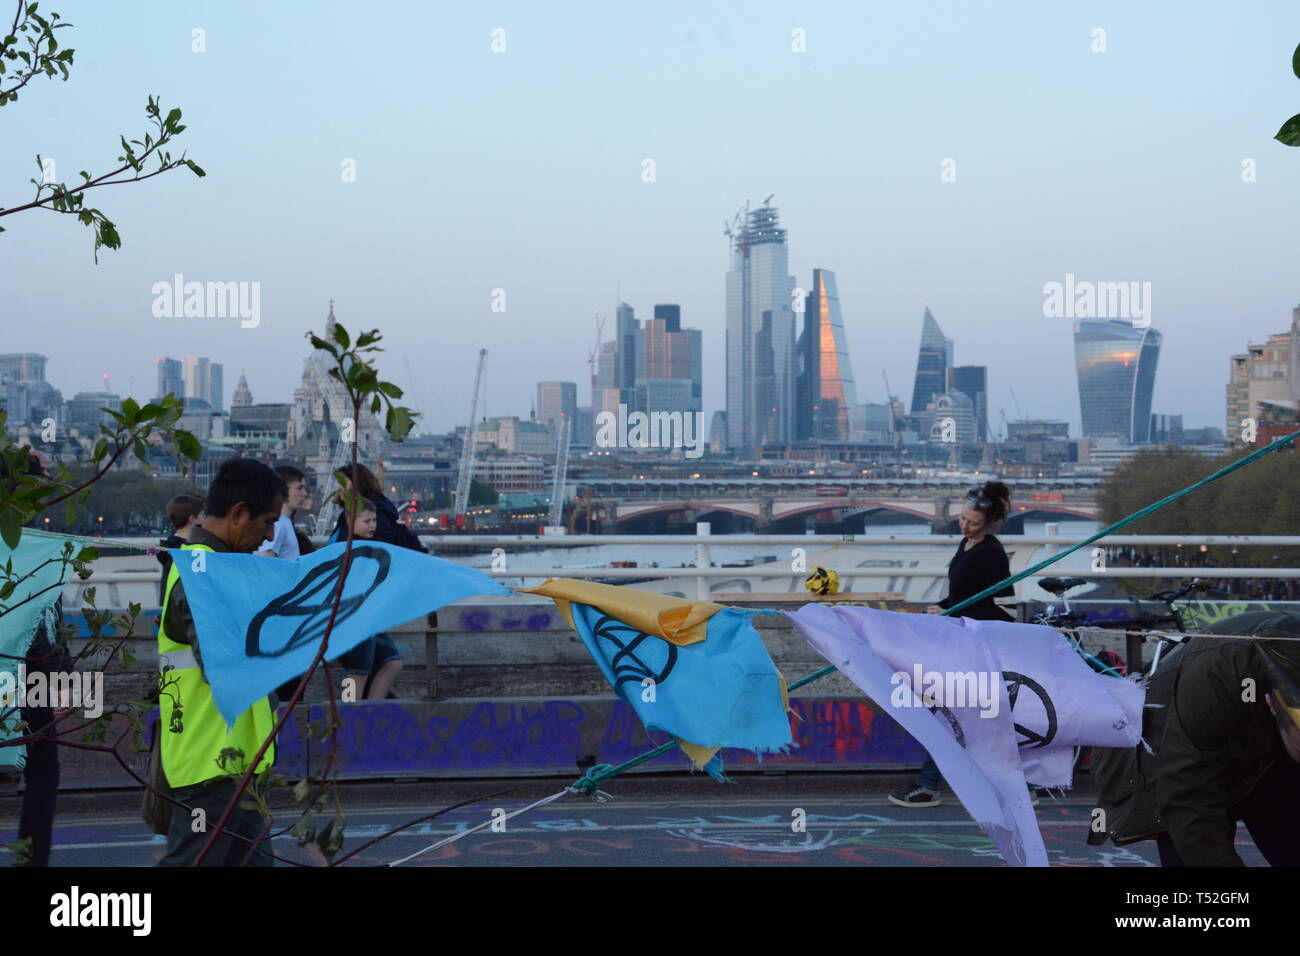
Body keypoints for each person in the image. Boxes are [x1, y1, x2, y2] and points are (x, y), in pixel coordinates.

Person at [1089, 610, 1300, 866]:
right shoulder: (1217, 679)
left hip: (1265, 757)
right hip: (1171, 755)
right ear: (1272, 706)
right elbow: (1188, 800)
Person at [156, 457, 284, 867]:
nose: (268, 538)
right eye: (266, 522)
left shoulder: (217, 569)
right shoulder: (202, 573)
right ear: (238, 513)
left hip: (235, 765)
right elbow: (223, 670)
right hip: (210, 769)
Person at [890, 481, 1015, 809]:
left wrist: (950, 611)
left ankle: (930, 785)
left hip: (977, 643)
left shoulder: (992, 554)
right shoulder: (967, 544)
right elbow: (962, 595)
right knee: (959, 714)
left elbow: (995, 606)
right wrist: (941, 607)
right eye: (962, 519)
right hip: (959, 637)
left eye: (973, 523)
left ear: (990, 524)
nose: (965, 526)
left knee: (946, 712)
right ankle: (1011, 784)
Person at [336, 498, 403, 700]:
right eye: (367, 521)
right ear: (350, 521)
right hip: (353, 619)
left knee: (392, 663)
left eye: (374, 520)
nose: (373, 525)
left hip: (369, 618)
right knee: (358, 674)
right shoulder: (346, 550)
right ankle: (349, 718)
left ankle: (372, 711)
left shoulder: (368, 547)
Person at [156, 493, 205, 604]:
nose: (205, 521)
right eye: (202, 516)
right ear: (192, 519)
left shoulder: (168, 547)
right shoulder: (190, 551)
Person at [256, 465, 308, 561]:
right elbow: (265, 559)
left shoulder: (284, 521)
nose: (305, 494)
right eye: (299, 488)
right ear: (284, 489)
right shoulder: (278, 523)